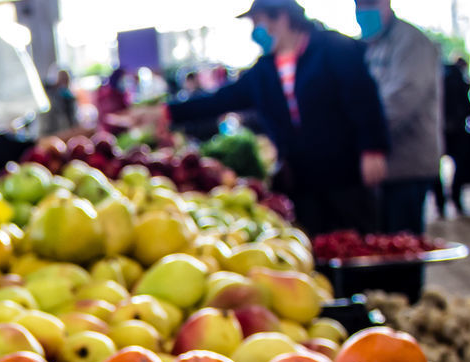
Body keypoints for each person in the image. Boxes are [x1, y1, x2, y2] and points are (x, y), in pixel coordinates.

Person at [153, 0, 389, 236]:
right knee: (315, 243)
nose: (255, 31)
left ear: (281, 17)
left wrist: (373, 148)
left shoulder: (334, 48)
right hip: (300, 179)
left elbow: (364, 100)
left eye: (257, 22)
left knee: (357, 240)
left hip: (345, 173)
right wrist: (168, 111)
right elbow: (221, 99)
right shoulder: (264, 70)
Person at [355, 0, 442, 234]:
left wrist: (364, 137)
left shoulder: (411, 42)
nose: (362, 11)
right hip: (380, 168)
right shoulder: (370, 44)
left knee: (403, 250)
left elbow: (401, 100)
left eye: (369, 4)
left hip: (406, 166)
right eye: (358, 4)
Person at [434, 59, 470, 217]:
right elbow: (465, 101)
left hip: (440, 128)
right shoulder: (456, 76)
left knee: (437, 169)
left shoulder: (435, 73)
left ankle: (441, 204)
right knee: (459, 165)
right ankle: (455, 199)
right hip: (455, 128)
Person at [41, 68, 79, 137]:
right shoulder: (48, 96)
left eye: (66, 79)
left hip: (65, 133)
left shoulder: (69, 97)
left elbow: (73, 120)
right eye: (62, 78)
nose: (64, 81)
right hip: (51, 134)